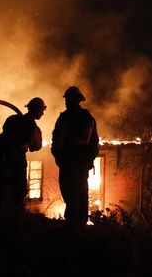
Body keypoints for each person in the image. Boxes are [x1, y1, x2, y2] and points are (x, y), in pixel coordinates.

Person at [51, 85, 99, 227]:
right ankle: (77, 223)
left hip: (73, 162)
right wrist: (89, 160)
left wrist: (59, 157)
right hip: (75, 162)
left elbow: (58, 140)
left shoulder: (74, 118)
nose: (66, 102)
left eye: (68, 99)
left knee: (74, 193)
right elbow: (94, 143)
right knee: (75, 192)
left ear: (74, 100)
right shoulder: (81, 118)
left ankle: (74, 224)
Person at [0, 97, 46, 219]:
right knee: (18, 191)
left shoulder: (12, 120)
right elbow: (35, 146)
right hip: (17, 161)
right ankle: (14, 218)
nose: (43, 113)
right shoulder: (32, 127)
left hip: (3, 160)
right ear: (36, 110)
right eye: (42, 110)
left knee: (2, 188)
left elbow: (5, 132)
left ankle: (0, 217)